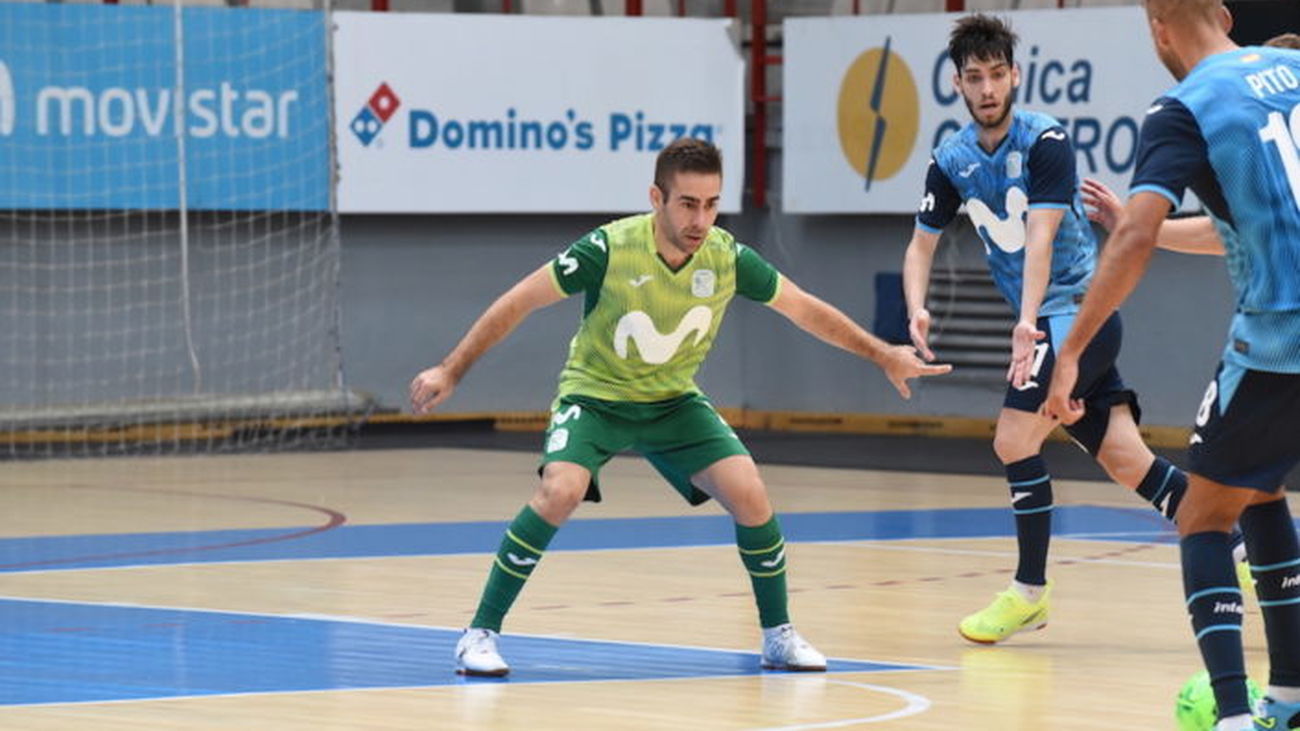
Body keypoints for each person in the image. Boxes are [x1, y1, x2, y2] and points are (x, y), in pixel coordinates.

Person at [411, 138, 952, 677]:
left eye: (712, 204)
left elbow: (805, 309)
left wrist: (883, 355)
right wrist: (451, 369)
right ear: (657, 198)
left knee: (750, 492)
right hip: (596, 398)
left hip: (672, 402)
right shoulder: (607, 249)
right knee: (561, 490)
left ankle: (777, 635)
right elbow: (518, 301)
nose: (701, 219)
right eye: (688, 204)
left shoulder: (727, 257)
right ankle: (478, 634)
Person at [903, 13, 1232, 646]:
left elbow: (1042, 236)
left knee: (1011, 440)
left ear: (1015, 76)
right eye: (976, 78)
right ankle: (1248, 555)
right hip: (1046, 323)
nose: (989, 88)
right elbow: (919, 245)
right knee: (1129, 461)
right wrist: (915, 305)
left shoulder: (1045, 140)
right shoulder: (950, 160)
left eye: (998, 74)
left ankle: (1029, 591)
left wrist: (1027, 324)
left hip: (1079, 314)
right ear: (959, 85)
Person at [1044, 2, 1300, 728]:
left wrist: (1070, 352)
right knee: (1257, 488)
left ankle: (1231, 715)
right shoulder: (1295, 67)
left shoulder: (1183, 108)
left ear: (1157, 30)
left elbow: (1132, 243)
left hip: (1281, 341)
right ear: (1222, 12)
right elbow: (1239, 226)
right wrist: (1139, 226)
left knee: (1202, 516)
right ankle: (1286, 700)